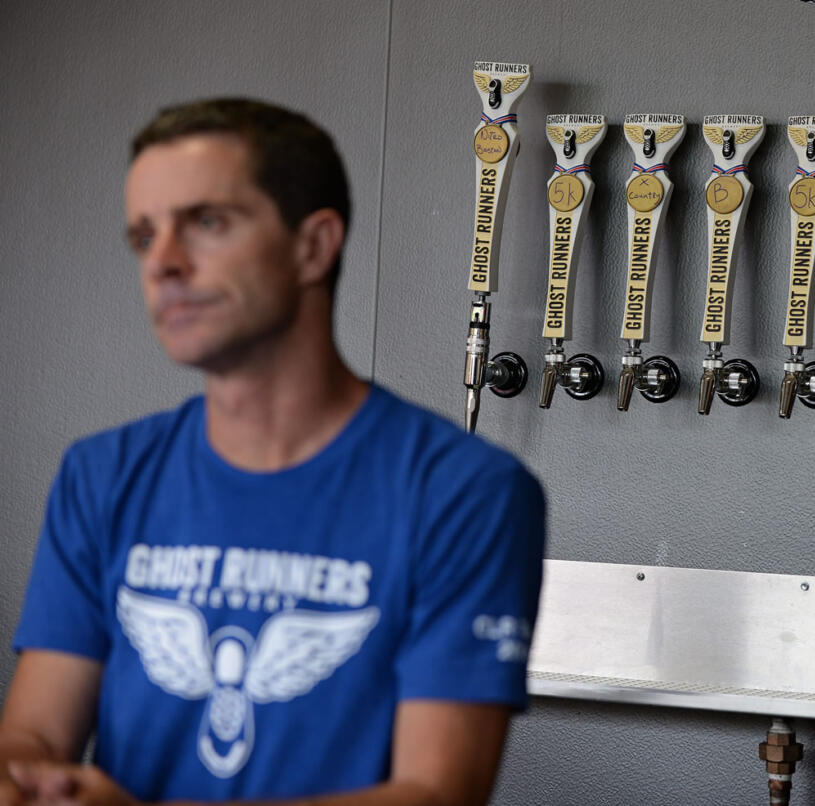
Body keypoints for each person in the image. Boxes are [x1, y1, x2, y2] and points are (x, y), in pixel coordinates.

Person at [0, 98, 546, 805]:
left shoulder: (466, 491)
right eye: (143, 236)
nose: (162, 263)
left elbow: (437, 792)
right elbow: (34, 735)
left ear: (312, 247)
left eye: (207, 223)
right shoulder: (101, 474)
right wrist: (25, 781)